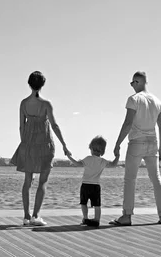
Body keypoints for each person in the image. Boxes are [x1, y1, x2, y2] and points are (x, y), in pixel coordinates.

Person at [10, 71, 70, 226]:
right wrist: (64, 144)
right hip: (45, 145)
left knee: (27, 181)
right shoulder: (46, 104)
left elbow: (21, 126)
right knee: (43, 181)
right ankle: (36, 216)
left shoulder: (23, 103)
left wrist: (25, 144)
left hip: (28, 144)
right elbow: (55, 125)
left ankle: (26, 216)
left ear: (29, 84)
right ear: (43, 85)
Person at [110, 71, 161, 226]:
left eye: (132, 83)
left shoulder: (133, 99)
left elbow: (128, 123)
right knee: (156, 179)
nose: (131, 86)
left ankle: (127, 216)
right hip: (153, 143)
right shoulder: (157, 102)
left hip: (136, 142)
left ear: (137, 82)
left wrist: (117, 143)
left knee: (130, 179)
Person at [66, 136, 120, 227]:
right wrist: (117, 156)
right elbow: (114, 164)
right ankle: (96, 219)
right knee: (97, 204)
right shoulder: (103, 161)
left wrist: (69, 156)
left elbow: (77, 164)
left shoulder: (88, 159)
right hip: (96, 186)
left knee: (83, 203)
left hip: (85, 185)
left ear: (91, 148)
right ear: (102, 151)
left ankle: (85, 218)